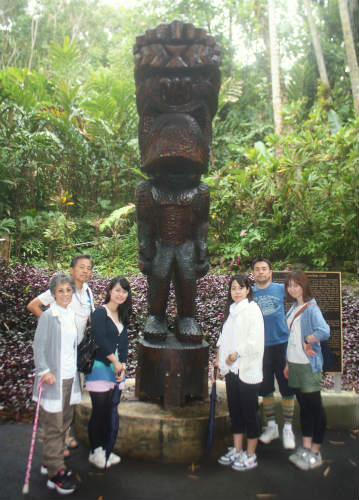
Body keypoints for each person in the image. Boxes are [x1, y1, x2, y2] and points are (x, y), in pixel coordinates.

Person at [27, 254, 94, 454]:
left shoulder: (87, 292)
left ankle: (63, 436)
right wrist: (53, 325)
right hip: (58, 354)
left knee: (69, 400)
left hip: (76, 353)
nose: (85, 271)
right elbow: (33, 305)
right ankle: (54, 446)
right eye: (81, 267)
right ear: (71, 269)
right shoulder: (62, 288)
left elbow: (88, 318)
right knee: (56, 401)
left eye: (89, 268)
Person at [32, 272, 81, 495]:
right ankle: (56, 473)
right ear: (53, 294)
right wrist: (44, 371)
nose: (65, 294)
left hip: (70, 377)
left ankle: (50, 461)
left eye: (68, 290)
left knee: (64, 423)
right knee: (53, 425)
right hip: (54, 379)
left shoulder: (70, 314)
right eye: (60, 291)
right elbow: (38, 348)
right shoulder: (48, 316)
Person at [215, 274, 264, 471]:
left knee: (249, 414)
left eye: (240, 288)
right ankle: (237, 449)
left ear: (248, 290)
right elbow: (223, 339)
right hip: (231, 371)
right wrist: (219, 361)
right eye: (233, 288)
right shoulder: (232, 311)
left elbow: (255, 340)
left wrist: (236, 354)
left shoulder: (252, 310)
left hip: (247, 370)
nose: (236, 291)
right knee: (235, 412)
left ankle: (251, 454)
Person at [284, 270, 330, 470]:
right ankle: (306, 447)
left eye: (297, 284)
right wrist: (287, 362)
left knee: (315, 409)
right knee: (304, 408)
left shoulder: (311, 308)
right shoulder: (294, 307)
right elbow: (290, 338)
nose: (293, 288)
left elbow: (324, 331)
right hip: (294, 365)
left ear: (304, 285)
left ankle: (315, 451)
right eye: (290, 285)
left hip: (308, 367)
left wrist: (307, 339)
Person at [85, 276, 132, 469]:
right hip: (99, 368)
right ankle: (95, 450)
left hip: (117, 370)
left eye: (124, 291)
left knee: (110, 412)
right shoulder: (99, 313)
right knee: (100, 411)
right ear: (109, 291)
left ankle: (106, 449)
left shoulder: (122, 316)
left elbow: (123, 345)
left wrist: (123, 365)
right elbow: (99, 339)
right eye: (117, 290)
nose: (121, 294)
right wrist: (115, 362)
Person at [252, 257, 296, 449]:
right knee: (266, 388)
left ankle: (287, 428)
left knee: (287, 387)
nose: (261, 272)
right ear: (253, 273)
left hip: (282, 344)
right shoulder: (249, 293)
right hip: (261, 348)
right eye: (257, 269)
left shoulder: (280, 289)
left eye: (264, 269)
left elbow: (300, 300)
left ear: (270, 272)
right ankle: (271, 426)